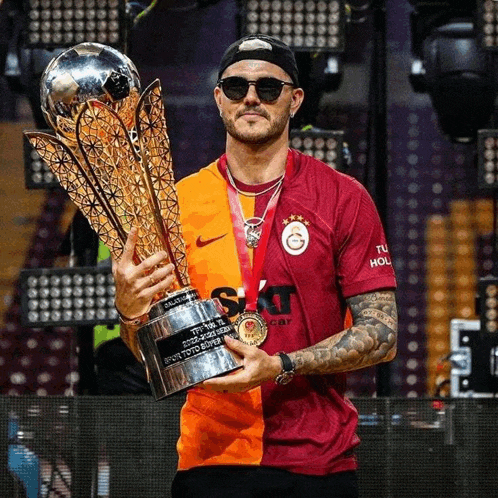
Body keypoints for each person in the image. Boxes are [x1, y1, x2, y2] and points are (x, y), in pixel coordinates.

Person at [112, 34, 397, 498]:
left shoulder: (344, 198)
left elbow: (382, 335)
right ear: (218, 97)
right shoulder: (177, 205)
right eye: (236, 85)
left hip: (317, 461)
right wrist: (129, 311)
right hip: (209, 459)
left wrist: (281, 364)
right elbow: (151, 360)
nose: (250, 97)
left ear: (295, 99)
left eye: (268, 88)